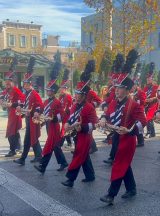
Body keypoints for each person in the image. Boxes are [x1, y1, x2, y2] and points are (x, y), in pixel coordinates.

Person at [100, 77, 147, 205]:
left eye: (120, 88)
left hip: (128, 139)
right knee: (124, 164)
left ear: (126, 90)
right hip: (116, 137)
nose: (116, 90)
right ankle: (131, 189)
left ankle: (111, 195)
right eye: (117, 88)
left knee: (119, 164)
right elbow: (107, 114)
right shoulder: (114, 102)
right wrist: (103, 118)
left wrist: (130, 130)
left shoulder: (134, 105)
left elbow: (143, 121)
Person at [61, 81, 98, 187]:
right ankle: (90, 175)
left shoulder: (89, 107)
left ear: (84, 95)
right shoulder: (74, 105)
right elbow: (71, 118)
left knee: (78, 155)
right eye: (76, 93)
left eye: (78, 94)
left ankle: (70, 179)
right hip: (76, 135)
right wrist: (67, 124)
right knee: (84, 156)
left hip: (85, 135)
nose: (76, 96)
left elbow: (94, 124)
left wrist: (82, 127)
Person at [34, 80, 68, 174]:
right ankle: (63, 162)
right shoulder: (45, 102)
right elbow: (42, 110)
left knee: (49, 145)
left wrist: (53, 119)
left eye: (48, 90)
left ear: (53, 91)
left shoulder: (57, 102)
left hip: (54, 126)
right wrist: (38, 116)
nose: (47, 91)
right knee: (55, 146)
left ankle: (42, 166)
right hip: (48, 125)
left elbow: (62, 115)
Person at [13, 58, 43, 165]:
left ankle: (23, 159)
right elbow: (23, 103)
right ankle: (38, 156)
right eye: (24, 83)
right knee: (31, 138)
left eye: (26, 83)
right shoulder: (26, 93)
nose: (24, 85)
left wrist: (36, 112)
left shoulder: (34, 94)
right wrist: (19, 107)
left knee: (29, 138)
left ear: (30, 83)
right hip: (27, 118)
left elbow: (40, 105)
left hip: (32, 119)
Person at [0, 71, 24, 157]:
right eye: (6, 80)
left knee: (11, 132)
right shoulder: (7, 90)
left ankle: (12, 150)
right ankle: (19, 148)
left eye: (9, 80)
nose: (7, 82)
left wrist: (12, 104)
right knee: (15, 131)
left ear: (13, 82)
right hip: (10, 113)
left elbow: (22, 101)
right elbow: (2, 95)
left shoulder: (16, 90)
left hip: (15, 113)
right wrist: (1, 100)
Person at [143, 62, 158, 138]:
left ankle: (148, 132)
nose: (148, 80)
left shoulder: (156, 87)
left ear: (152, 79)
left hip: (154, 104)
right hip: (147, 105)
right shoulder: (145, 88)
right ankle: (153, 133)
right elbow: (143, 96)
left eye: (149, 79)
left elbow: (158, 96)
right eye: (147, 79)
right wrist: (145, 100)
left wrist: (152, 99)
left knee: (149, 117)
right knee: (149, 118)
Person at [131, 75, 146, 147]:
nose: (133, 87)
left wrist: (137, 100)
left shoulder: (141, 92)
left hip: (139, 110)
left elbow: (143, 101)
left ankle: (141, 141)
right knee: (134, 125)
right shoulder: (131, 92)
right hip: (133, 111)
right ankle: (138, 140)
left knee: (139, 125)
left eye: (134, 86)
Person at [59, 70, 73, 148]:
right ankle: (70, 143)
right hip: (63, 115)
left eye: (62, 88)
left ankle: (60, 144)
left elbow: (69, 107)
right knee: (66, 130)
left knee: (64, 130)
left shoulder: (68, 96)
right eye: (61, 88)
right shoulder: (61, 96)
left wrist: (64, 110)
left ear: (66, 89)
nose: (61, 89)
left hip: (67, 115)